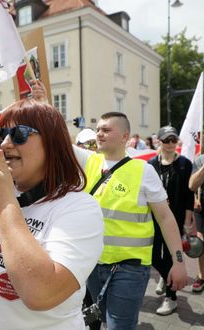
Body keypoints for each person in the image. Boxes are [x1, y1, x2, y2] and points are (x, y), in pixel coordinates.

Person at [0, 100, 104, 329]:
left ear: (53, 144)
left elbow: (41, 294)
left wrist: (5, 202)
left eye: (19, 134)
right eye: (2, 133)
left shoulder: (80, 208)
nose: (4, 143)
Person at [72, 112, 188, 329]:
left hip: (129, 269)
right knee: (104, 321)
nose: (99, 133)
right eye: (98, 129)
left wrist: (178, 261)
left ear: (125, 136)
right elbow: (56, 139)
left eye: (106, 130)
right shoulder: (90, 161)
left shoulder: (143, 171)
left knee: (120, 327)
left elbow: (166, 218)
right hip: (93, 265)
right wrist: (40, 99)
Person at [148, 126, 194, 315]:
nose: (170, 144)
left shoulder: (184, 163)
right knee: (152, 256)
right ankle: (167, 275)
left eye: (173, 140)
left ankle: (171, 298)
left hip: (173, 219)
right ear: (158, 141)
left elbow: (188, 194)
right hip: (153, 219)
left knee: (169, 256)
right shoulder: (151, 164)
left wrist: (188, 220)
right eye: (166, 140)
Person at [188, 153, 204, 293]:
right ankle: (202, 275)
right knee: (201, 241)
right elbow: (192, 185)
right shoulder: (200, 160)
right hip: (202, 207)